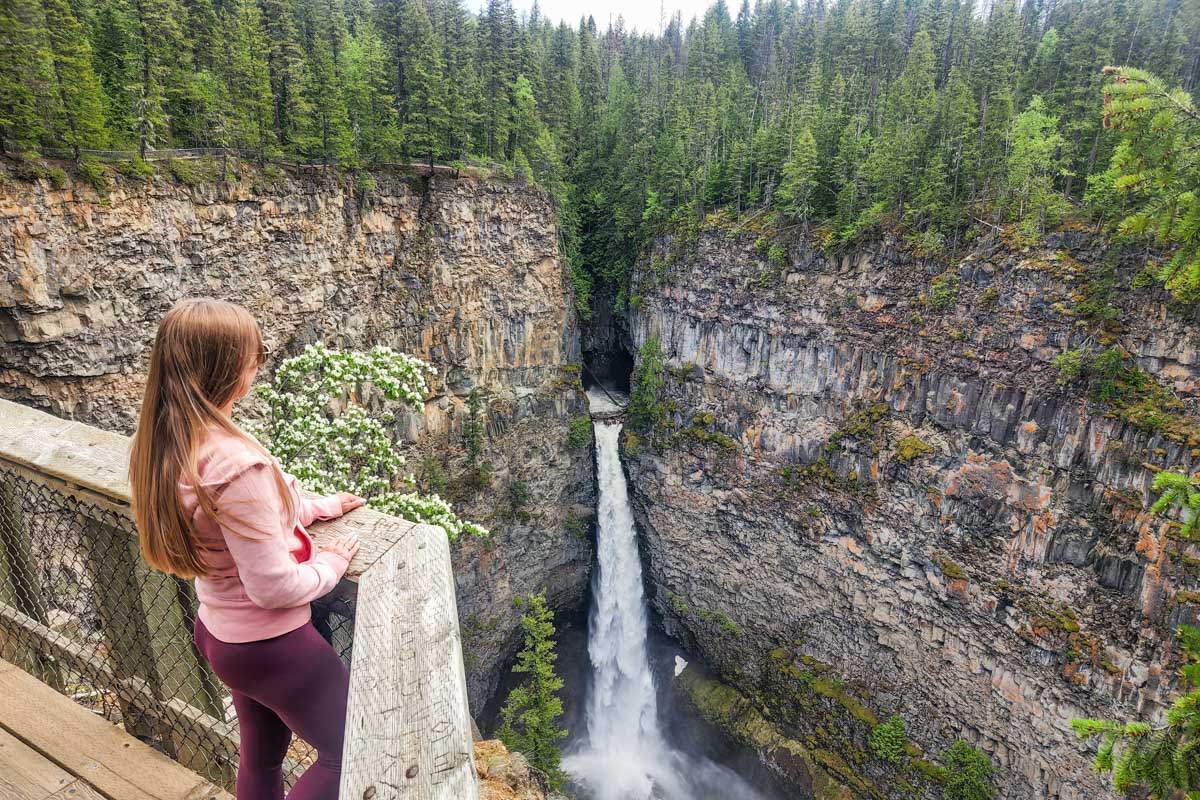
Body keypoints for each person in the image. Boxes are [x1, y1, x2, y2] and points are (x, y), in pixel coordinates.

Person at [128, 297, 364, 800]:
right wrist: (330, 563)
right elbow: (274, 585)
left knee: (262, 759)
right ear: (228, 368)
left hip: (219, 633)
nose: (257, 366)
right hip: (271, 644)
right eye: (251, 357)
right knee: (351, 752)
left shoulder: (168, 443)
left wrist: (310, 508)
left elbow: (235, 525)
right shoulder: (237, 463)